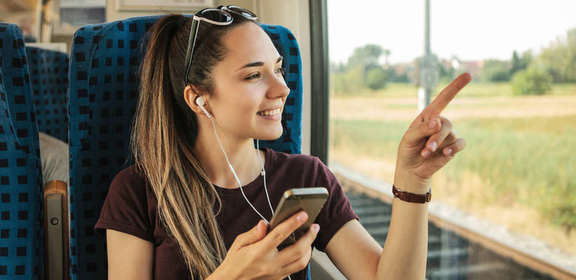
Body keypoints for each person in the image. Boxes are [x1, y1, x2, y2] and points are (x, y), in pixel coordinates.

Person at [94, 5, 470, 280]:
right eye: (254, 75)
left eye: (278, 68)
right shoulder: (138, 191)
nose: (283, 88)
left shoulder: (307, 176)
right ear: (198, 98)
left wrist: (413, 181)